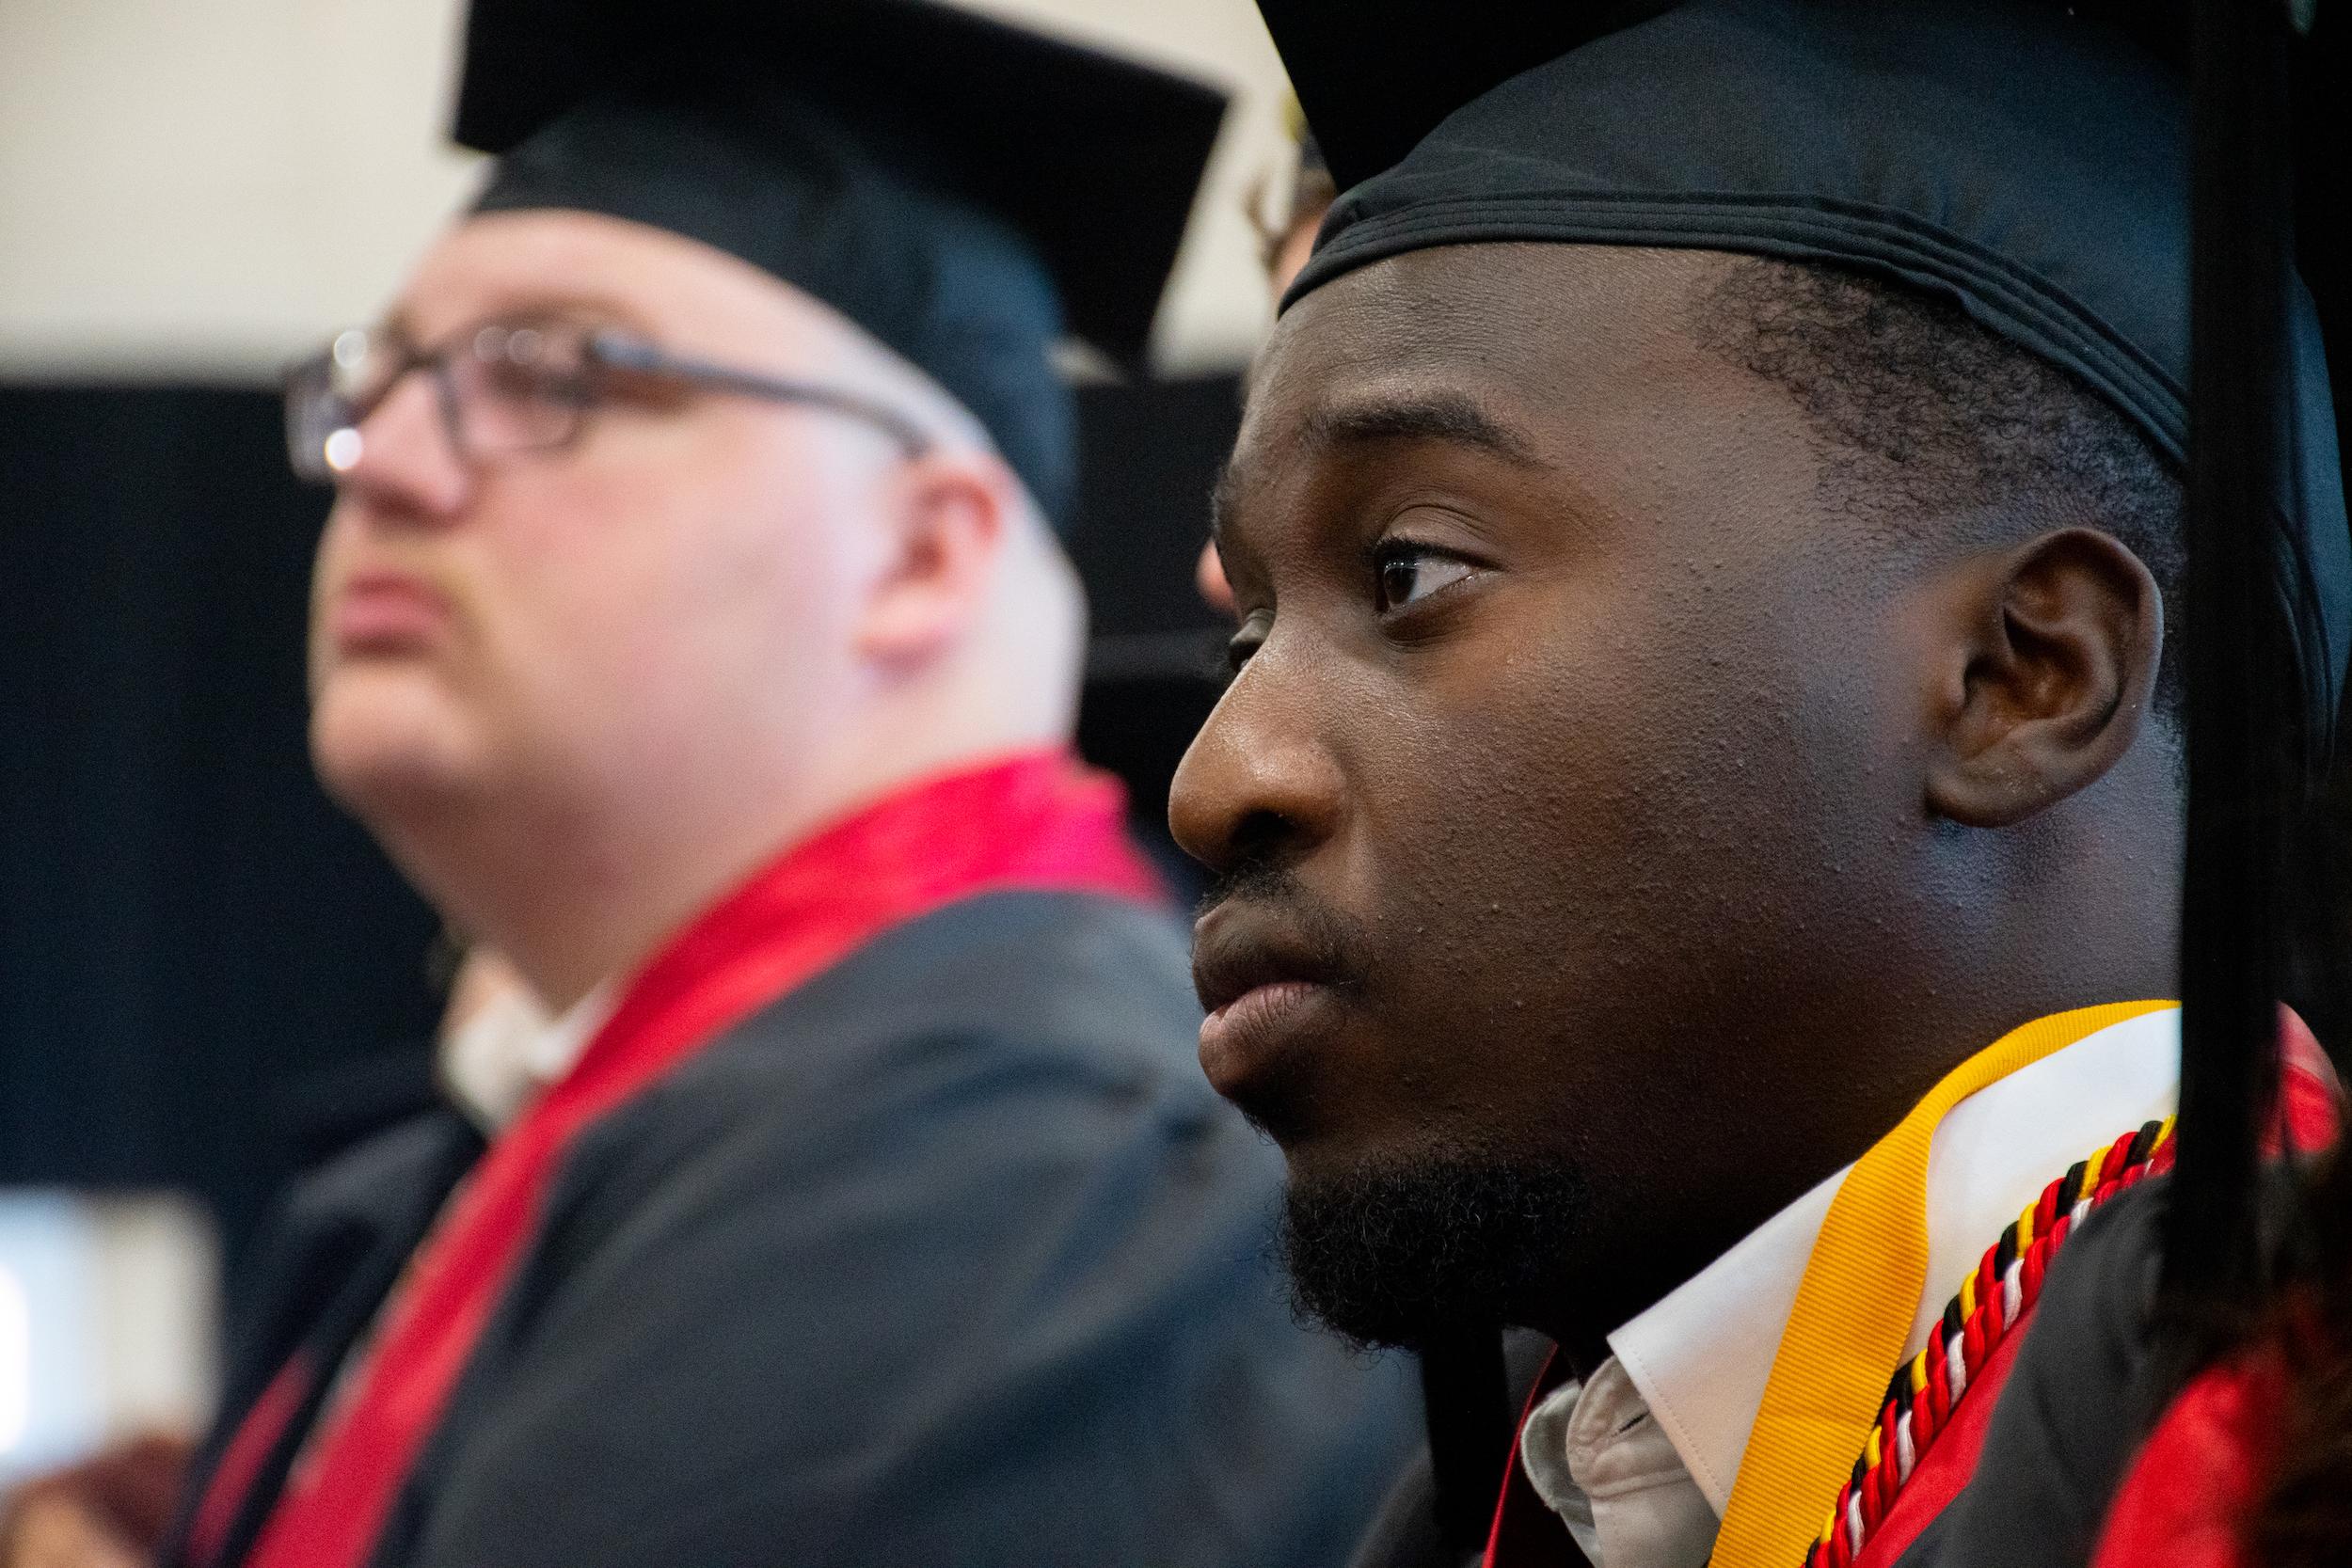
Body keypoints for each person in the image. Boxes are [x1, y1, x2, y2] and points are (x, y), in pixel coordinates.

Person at [158, 4, 1419, 1567]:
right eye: (384, 380)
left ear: (921, 550)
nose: (394, 463)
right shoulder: (436, 1182)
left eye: (550, 370)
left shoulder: (1041, 1164)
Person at [1166, 1, 2350, 1566]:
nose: (1215, 779)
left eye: (1408, 572)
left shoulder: (2276, 1449)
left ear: (2022, 675)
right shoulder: (1537, 1502)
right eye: (1246, 636)